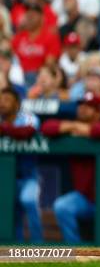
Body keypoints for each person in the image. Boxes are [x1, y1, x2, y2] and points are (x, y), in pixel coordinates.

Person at [42, 92, 100, 243]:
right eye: (81, 105)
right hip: (84, 198)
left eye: (88, 106)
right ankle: (76, 251)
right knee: (62, 206)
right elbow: (46, 128)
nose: (82, 109)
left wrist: (84, 130)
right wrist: (73, 125)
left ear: (98, 112)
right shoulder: (71, 128)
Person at [0, 87, 42, 243]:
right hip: (4, 178)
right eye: (0, 99)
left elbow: (27, 131)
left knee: (28, 200)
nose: (2, 103)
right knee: (11, 213)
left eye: (7, 100)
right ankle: (12, 252)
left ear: (17, 104)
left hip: (28, 176)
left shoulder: (27, 117)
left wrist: (4, 129)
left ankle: (38, 247)